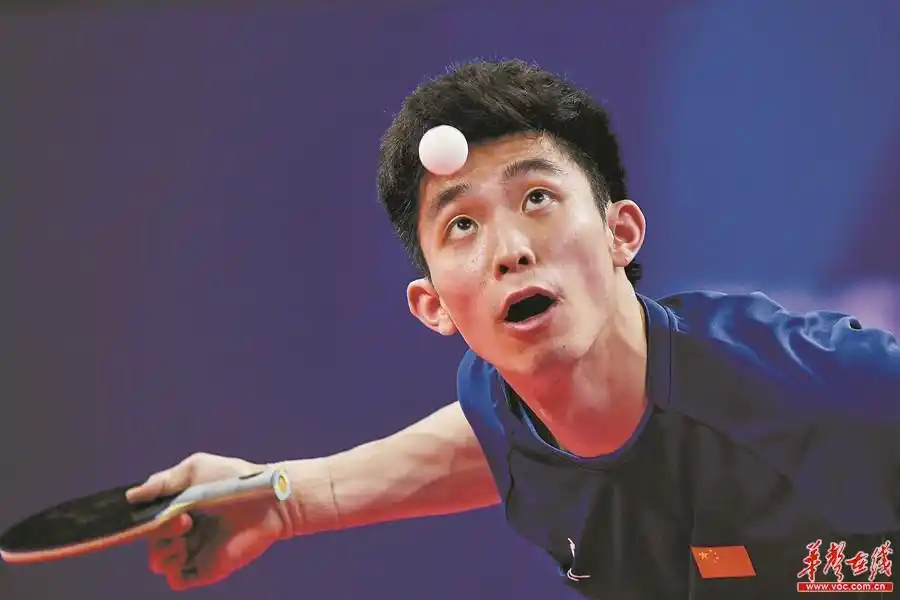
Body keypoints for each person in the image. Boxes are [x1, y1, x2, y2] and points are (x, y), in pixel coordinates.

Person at [126, 60, 900, 598]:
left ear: (621, 233)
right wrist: (281, 499)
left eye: (536, 198)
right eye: (461, 224)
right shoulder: (511, 413)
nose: (510, 249)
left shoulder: (804, 378)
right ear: (434, 306)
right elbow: (482, 439)